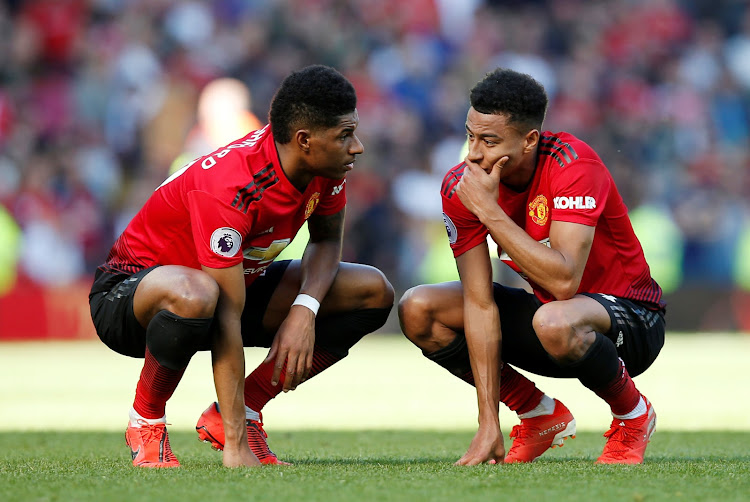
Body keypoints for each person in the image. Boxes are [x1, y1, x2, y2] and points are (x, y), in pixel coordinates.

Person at [89, 65, 394, 468]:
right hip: (128, 298)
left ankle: (241, 410)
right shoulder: (232, 186)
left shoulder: (323, 167)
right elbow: (227, 318)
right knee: (198, 293)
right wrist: (237, 450)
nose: (356, 146)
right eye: (344, 136)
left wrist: (305, 309)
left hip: (228, 287)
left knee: (371, 291)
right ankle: (146, 419)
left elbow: (324, 240)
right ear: (304, 140)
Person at [398, 68, 665, 465]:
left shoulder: (574, 165)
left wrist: (490, 212)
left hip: (632, 321)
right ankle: (538, 414)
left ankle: (634, 415)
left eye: (489, 141)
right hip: (553, 324)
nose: (474, 153)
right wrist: (487, 420)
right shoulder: (463, 186)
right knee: (418, 308)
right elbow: (479, 303)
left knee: (555, 319)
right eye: (470, 136)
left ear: (529, 140)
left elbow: (563, 280)